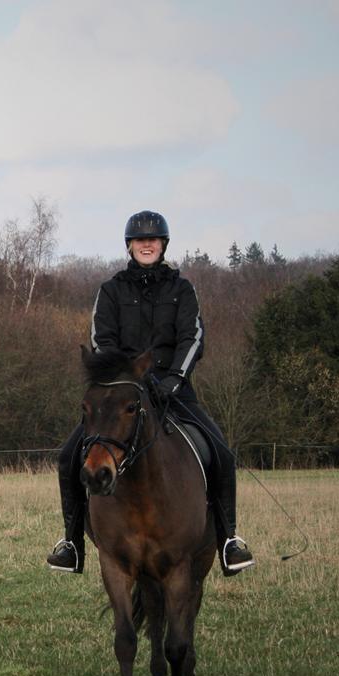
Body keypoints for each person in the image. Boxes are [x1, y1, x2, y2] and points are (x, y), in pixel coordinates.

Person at [46, 210, 255, 576]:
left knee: (221, 450)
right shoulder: (111, 291)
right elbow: (102, 342)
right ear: (129, 246)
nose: (146, 244)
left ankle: (228, 541)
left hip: (174, 392)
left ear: (163, 245)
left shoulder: (182, 289)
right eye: (140, 240)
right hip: (122, 395)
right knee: (68, 457)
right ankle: (71, 544)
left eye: (153, 239)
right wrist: (132, 380)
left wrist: (175, 378)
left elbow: (193, 337)